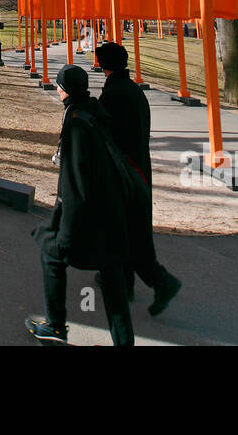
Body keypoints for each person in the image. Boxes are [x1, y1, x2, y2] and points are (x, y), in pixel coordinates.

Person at [26, 65, 134, 346]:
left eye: (60, 84)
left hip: (91, 218)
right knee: (112, 279)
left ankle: (56, 326)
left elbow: (76, 185)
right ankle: (124, 342)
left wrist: (66, 234)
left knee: (52, 256)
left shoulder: (75, 123)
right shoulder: (95, 112)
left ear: (66, 89)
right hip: (114, 213)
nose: (58, 88)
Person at [95, 41, 182, 317]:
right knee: (129, 229)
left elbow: (105, 132)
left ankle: (162, 282)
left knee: (129, 232)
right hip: (138, 167)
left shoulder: (114, 93)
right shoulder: (132, 89)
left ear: (103, 63)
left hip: (124, 172)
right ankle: (124, 282)